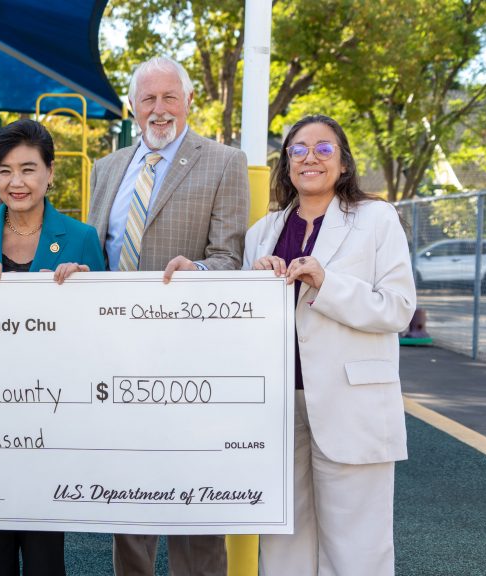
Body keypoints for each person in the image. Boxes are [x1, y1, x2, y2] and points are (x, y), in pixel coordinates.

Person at [87, 55, 248, 576]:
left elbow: (230, 259)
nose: (159, 110)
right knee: (129, 492)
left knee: (194, 493)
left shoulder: (225, 162)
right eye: (148, 99)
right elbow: (97, 255)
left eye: (169, 97)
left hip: (190, 357)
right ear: (133, 107)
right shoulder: (106, 168)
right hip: (116, 355)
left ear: (188, 101)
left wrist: (196, 270)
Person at [243, 114, 416, 576]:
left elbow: (398, 308)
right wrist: (252, 288)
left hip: (352, 403)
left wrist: (326, 283)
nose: (310, 158)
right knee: (284, 544)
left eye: (323, 149)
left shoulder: (376, 219)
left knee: (356, 549)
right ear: (286, 164)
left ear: (343, 164)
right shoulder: (262, 232)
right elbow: (246, 324)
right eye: (298, 149)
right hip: (280, 407)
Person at [0, 118, 104, 575]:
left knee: (43, 554)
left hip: (50, 420)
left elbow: (97, 335)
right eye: (5, 170)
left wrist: (87, 289)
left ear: (51, 173)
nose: (17, 182)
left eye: (29, 169)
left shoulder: (81, 239)